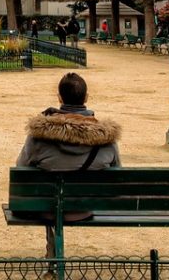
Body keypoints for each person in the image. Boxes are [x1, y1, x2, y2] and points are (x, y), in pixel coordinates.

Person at [15, 72, 121, 260]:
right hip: (85, 207)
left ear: (59, 98)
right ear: (86, 98)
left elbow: (21, 166)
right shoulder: (106, 136)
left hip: (47, 208)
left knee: (48, 195)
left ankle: (52, 253)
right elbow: (117, 173)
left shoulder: (40, 135)